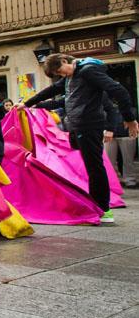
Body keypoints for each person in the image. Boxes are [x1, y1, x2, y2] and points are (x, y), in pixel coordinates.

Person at [17, 54, 139, 223]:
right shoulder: (71, 77)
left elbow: (118, 90)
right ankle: (96, 204)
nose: (61, 75)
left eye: (60, 70)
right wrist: (28, 103)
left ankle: (103, 209)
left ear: (65, 61)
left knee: (94, 166)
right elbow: (52, 91)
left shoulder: (88, 72)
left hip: (89, 126)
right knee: (91, 166)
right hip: (79, 127)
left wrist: (129, 119)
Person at [104, 98, 138, 189]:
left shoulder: (132, 109)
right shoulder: (105, 107)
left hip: (126, 136)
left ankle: (130, 179)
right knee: (109, 160)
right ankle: (113, 180)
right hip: (110, 135)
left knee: (128, 160)